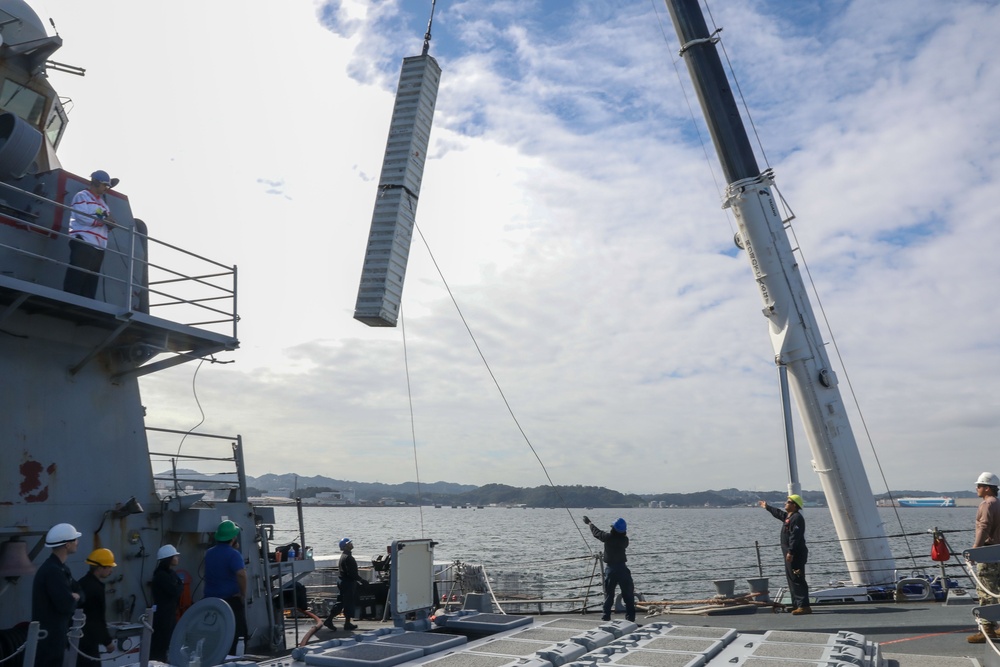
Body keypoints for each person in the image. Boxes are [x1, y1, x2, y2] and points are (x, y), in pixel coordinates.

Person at [31, 523, 83, 667]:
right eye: (75, 540)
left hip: (54, 636)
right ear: (67, 545)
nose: (77, 543)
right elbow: (66, 605)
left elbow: (80, 592)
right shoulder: (54, 572)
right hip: (50, 638)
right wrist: (73, 597)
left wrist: (75, 596)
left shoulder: (59, 569)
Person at [63, 169, 118, 299]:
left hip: (99, 245)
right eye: (105, 185)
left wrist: (110, 224)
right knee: (78, 273)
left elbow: (104, 223)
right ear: (97, 183)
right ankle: (70, 298)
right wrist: (103, 220)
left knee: (91, 278)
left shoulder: (104, 204)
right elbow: (81, 216)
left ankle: (87, 301)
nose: (107, 188)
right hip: (84, 240)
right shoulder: (82, 196)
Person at [760, 495, 811, 614]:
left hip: (795, 555)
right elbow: (779, 514)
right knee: (791, 579)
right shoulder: (789, 517)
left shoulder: (797, 518)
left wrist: (791, 552)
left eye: (788, 502)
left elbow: (795, 536)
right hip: (789, 554)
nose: (785, 503)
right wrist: (767, 507)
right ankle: (796, 604)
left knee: (797, 579)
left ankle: (804, 606)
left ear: (794, 505)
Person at [203, 520, 248, 654]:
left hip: (210, 600)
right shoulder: (234, 554)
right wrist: (242, 594)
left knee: (215, 633)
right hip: (230, 601)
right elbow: (241, 574)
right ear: (233, 538)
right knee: (239, 634)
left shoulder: (209, 552)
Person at [583, 516, 636, 622]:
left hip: (611, 569)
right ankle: (630, 618)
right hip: (622, 568)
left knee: (609, 594)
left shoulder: (608, 537)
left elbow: (596, 533)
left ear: (613, 528)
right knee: (628, 594)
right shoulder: (625, 540)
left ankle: (606, 616)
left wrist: (589, 523)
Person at [968, 472, 1000, 643]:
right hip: (999, 552)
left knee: (985, 590)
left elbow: (984, 527)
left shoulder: (987, 504)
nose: (977, 488)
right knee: (998, 590)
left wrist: (975, 550)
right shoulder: (999, 503)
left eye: (979, 486)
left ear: (987, 488)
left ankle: (987, 629)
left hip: (988, 553)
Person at [77, 548, 117, 667]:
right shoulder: (96, 588)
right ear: (99, 568)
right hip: (89, 641)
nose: (111, 570)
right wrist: (107, 642)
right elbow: (96, 618)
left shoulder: (82, 582)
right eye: (109, 567)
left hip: (78, 637)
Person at [324, 538, 367, 631]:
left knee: (341, 602)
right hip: (347, 583)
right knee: (348, 602)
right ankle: (347, 623)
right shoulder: (348, 558)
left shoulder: (343, 556)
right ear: (346, 546)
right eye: (349, 543)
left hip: (342, 581)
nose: (351, 544)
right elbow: (352, 573)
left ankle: (329, 620)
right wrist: (362, 580)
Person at [150, 545, 183, 661]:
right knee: (162, 641)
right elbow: (175, 590)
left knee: (168, 639)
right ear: (169, 558)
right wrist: (179, 586)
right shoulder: (162, 576)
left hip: (169, 612)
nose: (177, 558)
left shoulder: (168, 574)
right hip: (163, 614)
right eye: (175, 556)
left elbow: (178, 586)